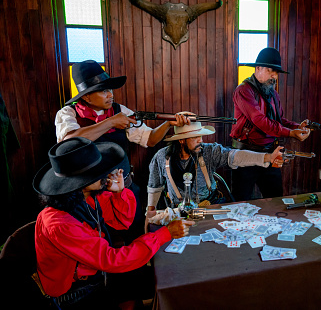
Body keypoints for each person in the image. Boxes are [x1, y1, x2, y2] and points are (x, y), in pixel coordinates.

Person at [33, 137, 193, 309]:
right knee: (154, 281)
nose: (107, 173)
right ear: (78, 183)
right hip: (76, 292)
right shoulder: (58, 223)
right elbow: (111, 259)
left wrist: (119, 193)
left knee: (169, 276)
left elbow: (122, 222)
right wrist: (165, 233)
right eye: (99, 172)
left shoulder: (89, 197)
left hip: (100, 274)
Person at [54, 60, 188, 241]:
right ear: (86, 97)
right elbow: (69, 142)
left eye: (110, 90)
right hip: (90, 198)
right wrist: (110, 122)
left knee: (135, 239)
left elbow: (150, 139)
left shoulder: (119, 111)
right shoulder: (68, 114)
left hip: (125, 190)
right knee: (102, 245)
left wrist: (168, 123)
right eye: (103, 91)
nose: (111, 95)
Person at [146, 119, 285, 218]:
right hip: (179, 212)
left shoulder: (208, 151)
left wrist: (267, 157)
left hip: (211, 206)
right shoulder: (162, 157)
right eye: (195, 137)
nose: (201, 140)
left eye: (201, 135)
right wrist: (151, 209)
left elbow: (235, 156)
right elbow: (154, 185)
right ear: (181, 140)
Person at [230, 47, 310, 200]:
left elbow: (279, 121)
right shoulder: (243, 91)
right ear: (258, 68)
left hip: (269, 153)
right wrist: (290, 133)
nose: (274, 76)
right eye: (270, 71)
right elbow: (260, 121)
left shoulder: (273, 94)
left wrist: (297, 127)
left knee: (276, 200)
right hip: (246, 154)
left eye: (276, 73)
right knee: (241, 203)